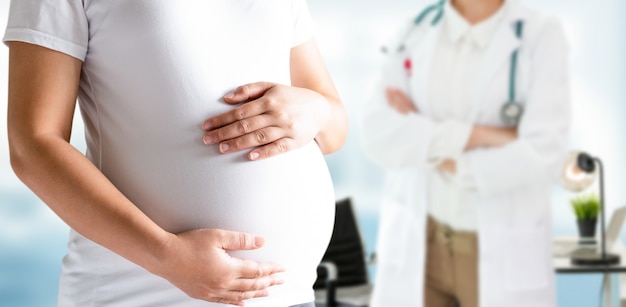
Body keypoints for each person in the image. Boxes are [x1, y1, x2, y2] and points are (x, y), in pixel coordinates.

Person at [4, 1, 347, 306]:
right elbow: (33, 145)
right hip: (138, 293)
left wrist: (316, 110)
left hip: (289, 295)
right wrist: (166, 256)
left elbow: (333, 129)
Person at [360, 0, 570, 306]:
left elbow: (543, 155)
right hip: (421, 241)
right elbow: (377, 132)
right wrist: (483, 137)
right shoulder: (414, 30)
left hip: (498, 246)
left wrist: (425, 139)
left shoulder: (541, 35)